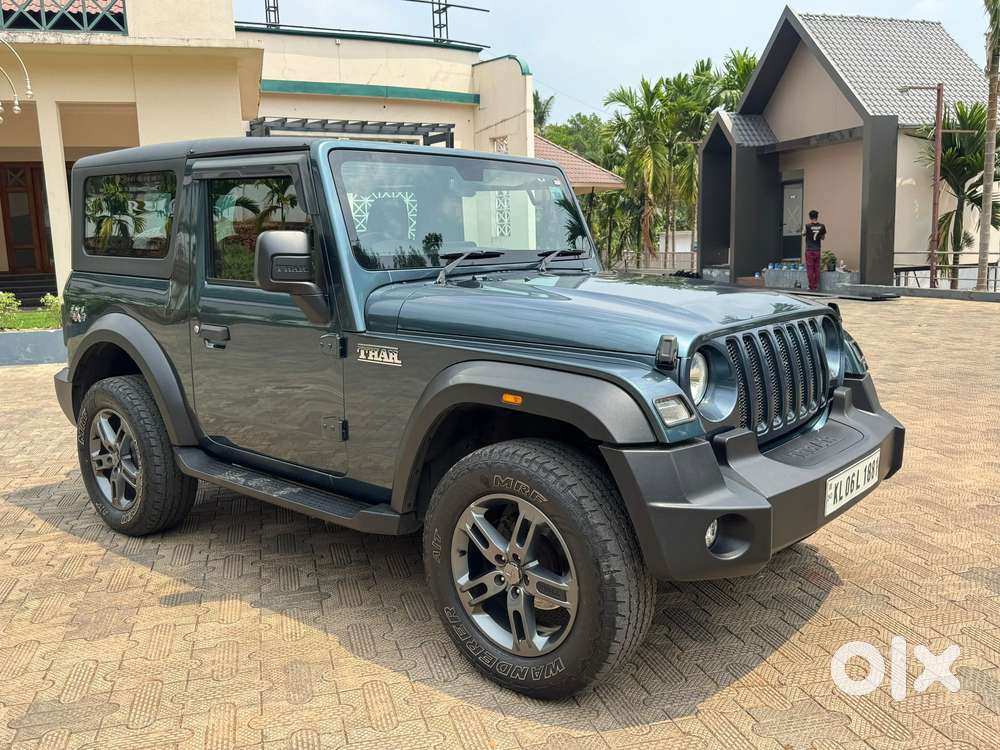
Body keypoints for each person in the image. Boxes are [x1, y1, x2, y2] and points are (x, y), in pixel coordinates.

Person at [803, 210, 827, 291]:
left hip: (809, 250)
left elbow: (803, 233)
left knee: (810, 268)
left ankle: (811, 286)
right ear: (817, 216)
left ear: (810, 217)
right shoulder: (822, 226)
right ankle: (816, 286)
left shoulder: (807, 226)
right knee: (816, 268)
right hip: (817, 249)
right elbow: (823, 238)